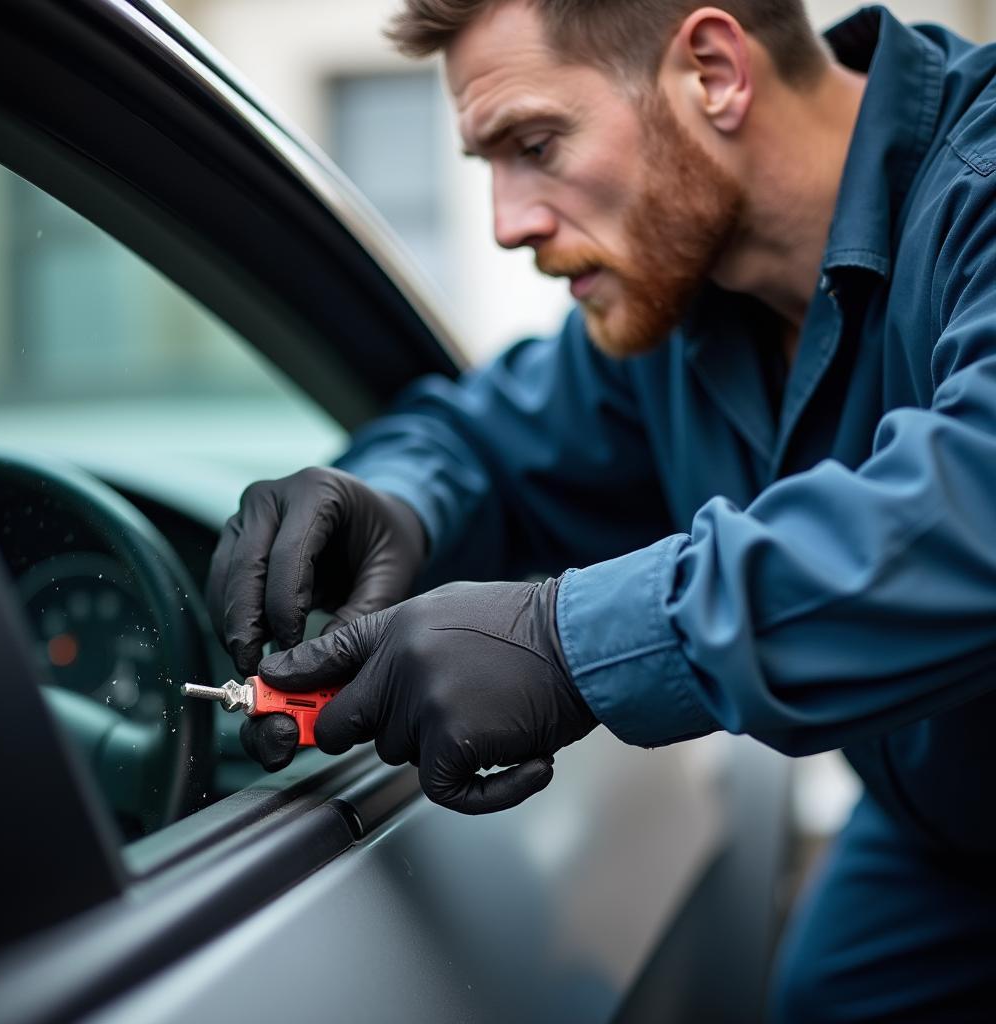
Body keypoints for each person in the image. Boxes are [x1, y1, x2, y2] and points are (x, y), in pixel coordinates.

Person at [206, 2, 996, 1018]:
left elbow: (972, 507)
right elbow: (482, 440)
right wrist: (391, 497)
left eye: (535, 145)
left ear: (712, 71)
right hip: (940, 839)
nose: (507, 223)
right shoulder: (677, 308)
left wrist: (566, 644)